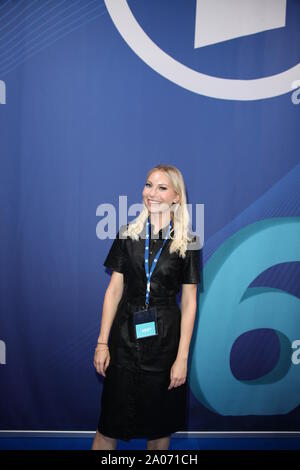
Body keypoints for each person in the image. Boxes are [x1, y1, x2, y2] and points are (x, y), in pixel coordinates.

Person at [91, 164, 201, 450]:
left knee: (159, 430)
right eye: (148, 185)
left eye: (162, 187)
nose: (152, 193)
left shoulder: (188, 243)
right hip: (124, 339)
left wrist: (182, 358)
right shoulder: (127, 234)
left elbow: (189, 302)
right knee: (107, 426)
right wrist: (102, 343)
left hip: (165, 344)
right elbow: (114, 291)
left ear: (177, 196)